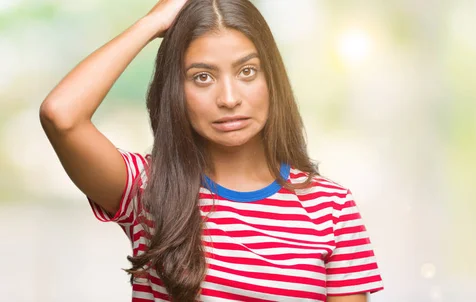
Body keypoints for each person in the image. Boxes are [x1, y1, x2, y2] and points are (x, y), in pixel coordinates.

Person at [39, 0, 384, 301]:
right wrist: (153, 22)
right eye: (202, 77)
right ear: (176, 89)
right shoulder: (147, 189)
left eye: (247, 71)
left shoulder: (331, 207)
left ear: (272, 80)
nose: (229, 98)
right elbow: (61, 116)